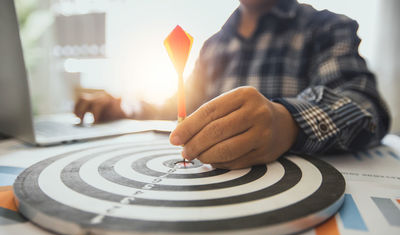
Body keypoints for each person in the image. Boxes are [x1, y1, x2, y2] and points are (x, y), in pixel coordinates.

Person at [74, 0, 390, 169]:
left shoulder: (326, 28)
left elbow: (364, 105)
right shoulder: (214, 46)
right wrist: (120, 105)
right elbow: (179, 104)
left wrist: (287, 122)